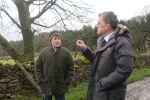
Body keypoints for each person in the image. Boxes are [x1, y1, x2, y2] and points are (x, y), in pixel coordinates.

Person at [76, 11, 133, 100]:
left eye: (99, 23)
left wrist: (102, 83)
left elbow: (124, 70)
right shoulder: (101, 41)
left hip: (111, 94)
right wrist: (85, 49)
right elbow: (98, 61)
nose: (96, 25)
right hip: (99, 92)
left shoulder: (122, 42)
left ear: (107, 26)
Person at [35, 30, 74, 100]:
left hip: (61, 86)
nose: (57, 40)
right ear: (51, 40)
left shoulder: (66, 53)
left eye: (59, 38)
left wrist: (67, 81)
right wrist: (40, 80)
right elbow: (38, 67)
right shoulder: (44, 52)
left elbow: (70, 68)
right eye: (55, 38)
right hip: (46, 86)